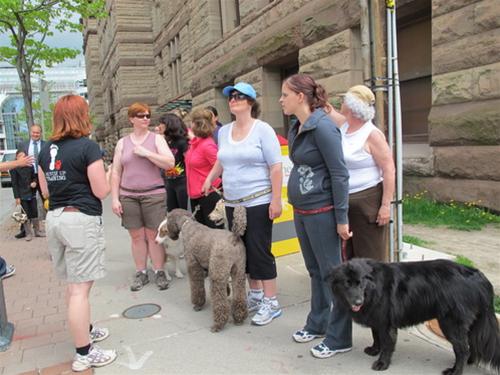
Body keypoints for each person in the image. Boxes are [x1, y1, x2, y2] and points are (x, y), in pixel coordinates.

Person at [37, 94, 117, 371]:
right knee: (80, 290)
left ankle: (85, 329)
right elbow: (101, 191)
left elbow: (45, 190)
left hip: (55, 218)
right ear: (81, 116)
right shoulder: (88, 147)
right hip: (80, 220)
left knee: (73, 285)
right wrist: (110, 174)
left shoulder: (45, 149)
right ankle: (84, 352)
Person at [280, 73, 352, 358]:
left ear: (300, 96)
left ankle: (339, 338)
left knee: (334, 276)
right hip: (303, 210)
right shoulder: (297, 126)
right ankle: (318, 323)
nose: (280, 100)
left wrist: (342, 218)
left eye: (285, 94)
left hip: (323, 211)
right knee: (314, 271)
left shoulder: (323, 127)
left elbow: (339, 173)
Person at [202, 82, 283, 326]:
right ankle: (256, 295)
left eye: (239, 96)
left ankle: (272, 301)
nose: (233, 100)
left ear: (250, 101)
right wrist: (209, 178)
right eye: (231, 97)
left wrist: (276, 200)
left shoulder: (263, 129)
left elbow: (276, 166)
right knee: (242, 252)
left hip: (258, 201)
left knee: (260, 251)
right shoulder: (224, 131)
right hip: (232, 202)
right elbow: (221, 160)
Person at [110, 103, 175, 292]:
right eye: (141, 116)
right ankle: (141, 272)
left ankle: (159, 271)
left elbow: (170, 162)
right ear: (132, 119)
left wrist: (146, 153)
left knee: (154, 235)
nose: (146, 118)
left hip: (153, 194)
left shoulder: (157, 139)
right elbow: (116, 172)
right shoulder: (123, 143)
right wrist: (115, 198)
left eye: (147, 115)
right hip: (129, 196)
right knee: (136, 236)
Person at [332, 85, 395, 261]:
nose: (341, 103)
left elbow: (389, 169)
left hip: (367, 200)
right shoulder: (344, 127)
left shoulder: (371, 134)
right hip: (346, 199)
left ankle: (375, 288)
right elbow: (328, 111)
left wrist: (385, 205)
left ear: (352, 106)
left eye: (344, 100)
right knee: (350, 255)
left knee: (370, 253)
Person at [185, 108, 223, 228]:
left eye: (192, 122)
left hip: (208, 195)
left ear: (197, 124)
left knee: (214, 235)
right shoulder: (196, 144)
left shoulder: (207, 145)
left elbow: (220, 166)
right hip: (196, 195)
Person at [16, 124, 46, 238]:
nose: (35, 134)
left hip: (42, 176)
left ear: (40, 133)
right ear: (30, 132)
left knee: (47, 200)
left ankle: (48, 226)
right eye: (33, 132)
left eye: (37, 132)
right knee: (26, 204)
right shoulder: (22, 145)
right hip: (28, 178)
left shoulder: (46, 145)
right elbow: (18, 159)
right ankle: (25, 230)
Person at [158, 113, 189, 212]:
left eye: (161, 123)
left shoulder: (182, 141)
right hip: (168, 182)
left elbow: (189, 161)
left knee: (184, 212)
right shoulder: (165, 142)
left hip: (182, 181)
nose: (159, 126)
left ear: (169, 124)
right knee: (172, 213)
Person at [10, 150, 39, 241]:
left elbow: (34, 177)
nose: (23, 157)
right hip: (22, 194)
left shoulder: (30, 166)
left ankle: (37, 231)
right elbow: (14, 184)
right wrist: (17, 197)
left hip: (32, 192)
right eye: (20, 156)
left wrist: (34, 182)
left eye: (24, 155)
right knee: (25, 214)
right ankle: (28, 233)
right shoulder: (14, 169)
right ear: (17, 157)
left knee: (34, 212)